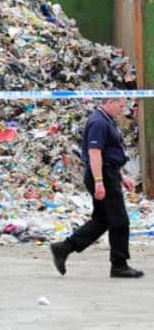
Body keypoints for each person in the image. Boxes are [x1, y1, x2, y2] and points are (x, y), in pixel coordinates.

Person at [50, 99, 144, 278]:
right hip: (102, 175)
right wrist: (99, 181)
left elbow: (109, 153)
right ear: (109, 102)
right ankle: (119, 265)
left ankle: (63, 248)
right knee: (120, 221)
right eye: (120, 105)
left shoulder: (106, 120)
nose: (122, 109)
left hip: (109, 173)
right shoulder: (98, 122)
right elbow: (95, 153)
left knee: (102, 220)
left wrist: (121, 176)